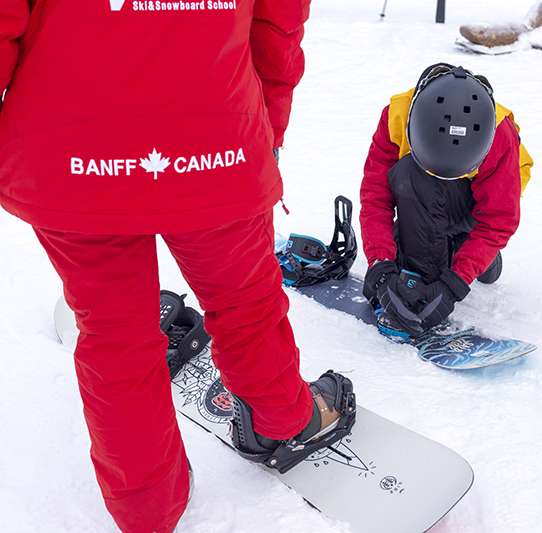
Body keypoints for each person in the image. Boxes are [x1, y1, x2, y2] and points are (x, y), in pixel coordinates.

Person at [0, 2, 355, 533]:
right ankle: (282, 420)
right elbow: (275, 28)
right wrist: (266, 135)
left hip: (71, 154)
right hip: (217, 145)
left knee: (115, 334)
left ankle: (145, 504)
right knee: (245, 302)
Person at [360, 63, 533, 338]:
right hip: (428, 197)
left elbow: (497, 220)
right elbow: (375, 198)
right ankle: (468, 249)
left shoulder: (499, 134)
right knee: (409, 193)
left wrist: (453, 285)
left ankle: (427, 283)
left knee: (418, 236)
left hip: (478, 202)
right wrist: (380, 266)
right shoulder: (398, 115)